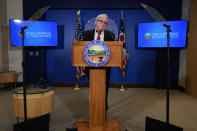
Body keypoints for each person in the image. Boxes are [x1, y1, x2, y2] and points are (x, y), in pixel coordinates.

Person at [82, 14, 115, 111]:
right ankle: (94, 106)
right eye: (101, 21)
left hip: (106, 67)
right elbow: (82, 49)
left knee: (105, 88)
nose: (103, 24)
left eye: (105, 22)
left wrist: (122, 53)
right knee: (94, 88)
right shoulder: (87, 34)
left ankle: (103, 106)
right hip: (90, 67)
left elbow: (114, 51)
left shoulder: (111, 35)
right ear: (95, 22)